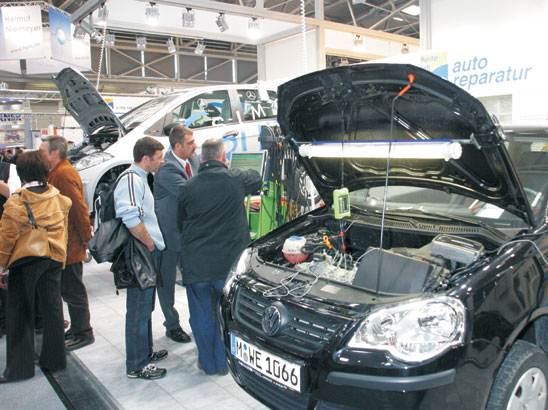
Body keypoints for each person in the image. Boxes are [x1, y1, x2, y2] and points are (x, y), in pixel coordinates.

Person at [177, 138, 262, 375]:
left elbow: (180, 223)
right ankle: (223, 362)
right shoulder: (236, 180)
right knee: (225, 311)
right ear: (224, 158)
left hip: (197, 264)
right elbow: (257, 178)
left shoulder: (187, 187)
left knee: (202, 315)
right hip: (227, 264)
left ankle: (207, 362)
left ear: (201, 159)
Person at [0, 150, 72, 383]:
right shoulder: (58, 197)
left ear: (21, 172)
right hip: (53, 257)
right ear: (45, 170)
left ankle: (20, 368)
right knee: (52, 309)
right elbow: (63, 230)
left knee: (19, 311)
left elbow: (6, 238)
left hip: (26, 259)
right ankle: (55, 359)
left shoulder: (17, 201)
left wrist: (1, 267)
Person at [114, 137, 168, 380]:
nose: (162, 161)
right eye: (159, 157)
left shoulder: (141, 178)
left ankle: (145, 352)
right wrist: (148, 243)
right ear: (145, 159)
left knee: (145, 306)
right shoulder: (131, 179)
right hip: (140, 252)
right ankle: (136, 364)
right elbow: (129, 215)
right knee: (138, 308)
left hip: (146, 250)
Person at [40, 136, 94, 351]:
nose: (40, 155)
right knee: (68, 289)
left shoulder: (63, 173)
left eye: (43, 151)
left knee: (73, 290)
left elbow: (78, 209)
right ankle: (78, 328)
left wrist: (86, 238)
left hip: (69, 244)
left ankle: (84, 332)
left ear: (55, 153)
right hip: (61, 243)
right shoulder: (56, 172)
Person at [153, 125, 197, 343]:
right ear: (177, 145)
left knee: (194, 280)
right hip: (169, 237)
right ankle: (172, 325)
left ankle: (198, 322)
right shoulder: (167, 169)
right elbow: (191, 193)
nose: (194, 146)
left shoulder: (194, 160)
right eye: (190, 143)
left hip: (190, 236)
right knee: (167, 282)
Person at [0, 160, 21, 339]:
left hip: (5, 231)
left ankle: (8, 322)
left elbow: (13, 193)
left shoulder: (9, 169)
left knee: (5, 279)